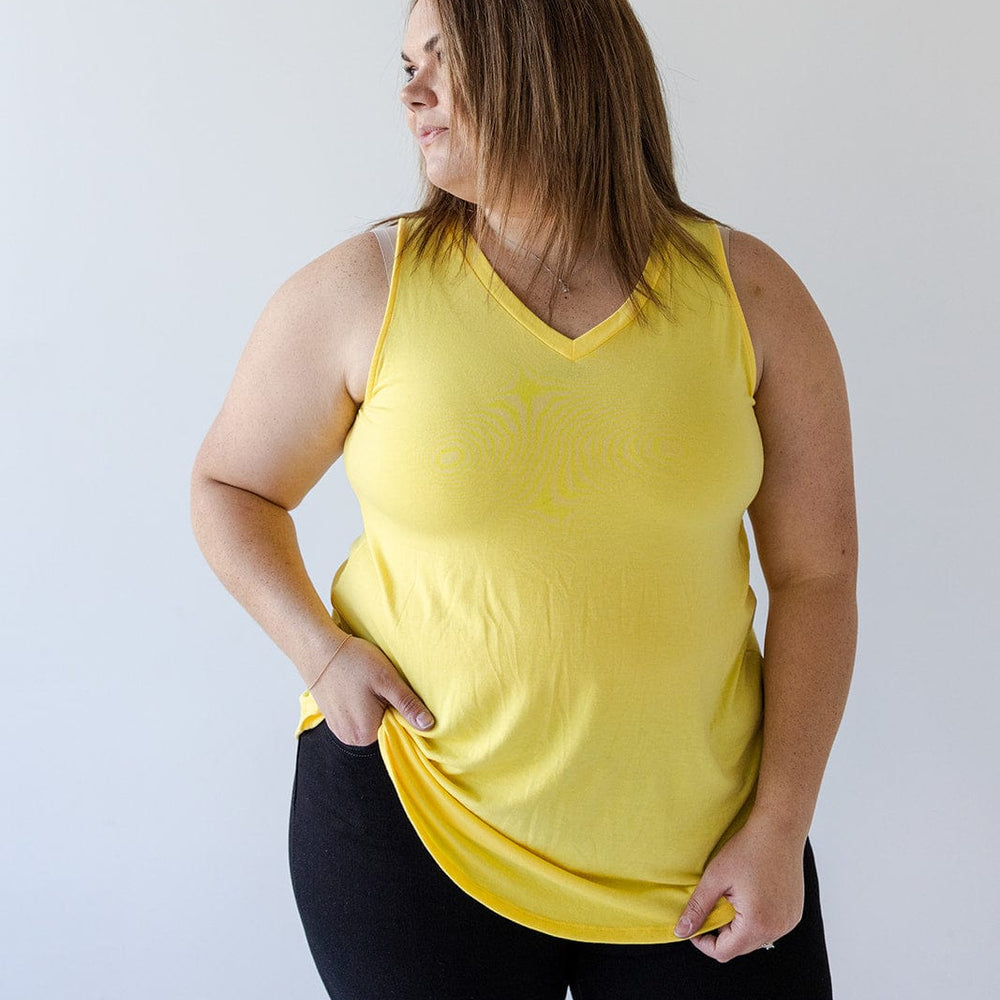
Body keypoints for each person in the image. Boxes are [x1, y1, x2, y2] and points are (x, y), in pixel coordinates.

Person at [190, 0, 857, 996]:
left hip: (701, 861)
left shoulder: (748, 294)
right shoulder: (361, 289)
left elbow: (816, 571)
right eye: (404, 65)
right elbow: (229, 485)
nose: (410, 91)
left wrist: (780, 824)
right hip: (416, 827)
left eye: (444, 63)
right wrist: (318, 650)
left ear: (554, 65)